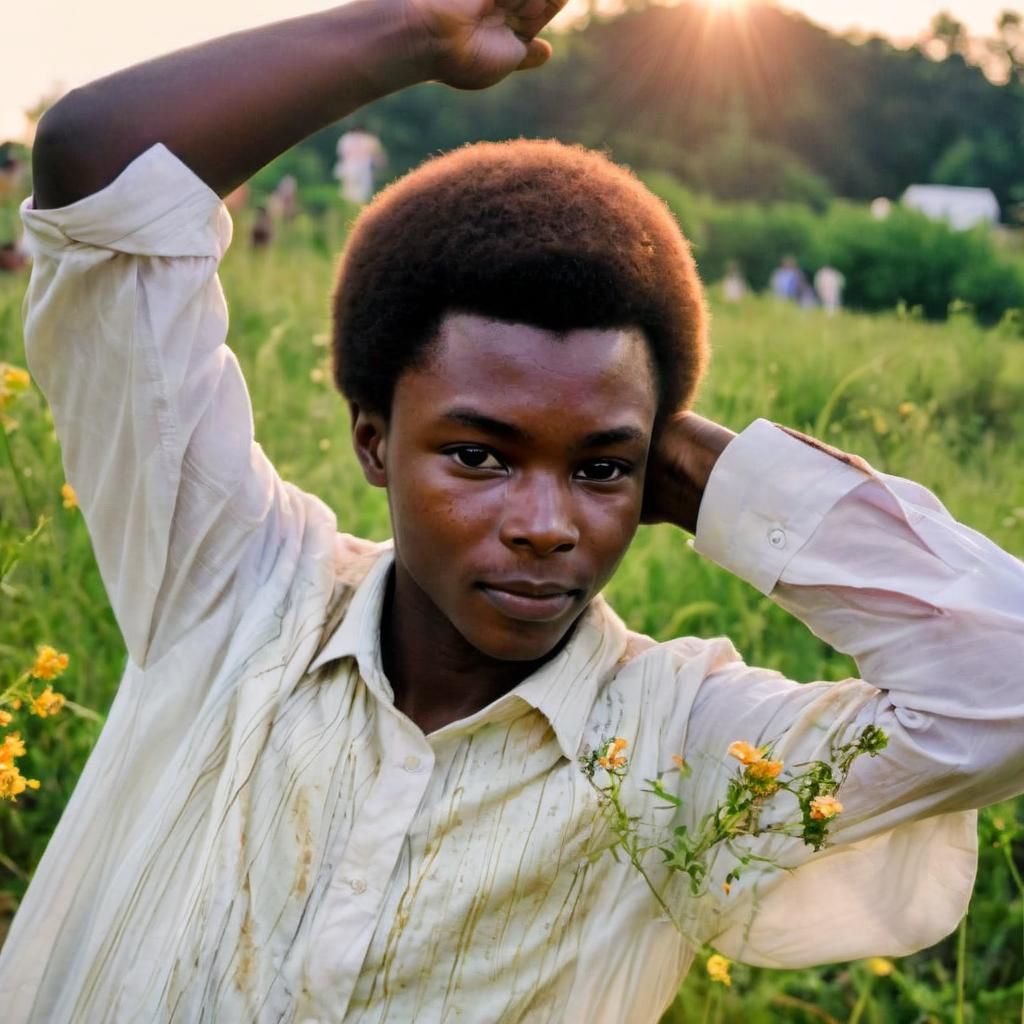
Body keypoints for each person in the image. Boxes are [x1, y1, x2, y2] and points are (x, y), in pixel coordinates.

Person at [2, 1, 1022, 1021]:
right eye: (479, 455)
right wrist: (411, 33)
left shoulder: (681, 755)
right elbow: (99, 162)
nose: (545, 522)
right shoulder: (227, 584)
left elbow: (1002, 686)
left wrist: (707, 469)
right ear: (370, 439)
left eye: (601, 471)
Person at [334, 122, 387, 203]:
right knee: (350, 191)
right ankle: (351, 206)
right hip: (351, 166)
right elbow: (343, 155)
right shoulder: (346, 139)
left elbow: (375, 153)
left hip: (362, 167)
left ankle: (357, 206)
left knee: (362, 191)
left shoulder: (367, 139)